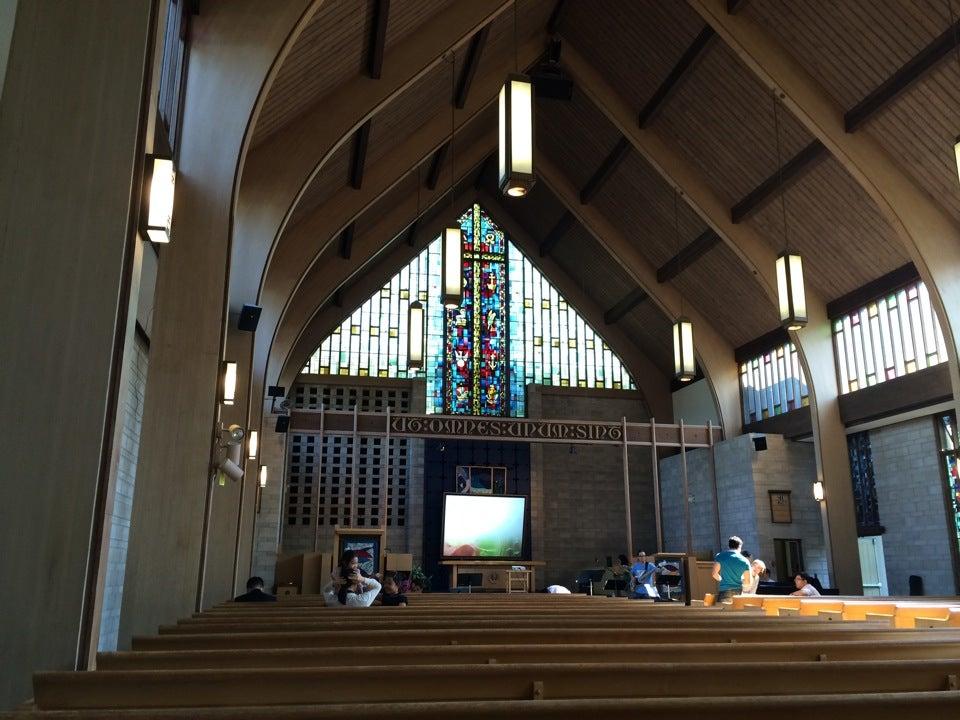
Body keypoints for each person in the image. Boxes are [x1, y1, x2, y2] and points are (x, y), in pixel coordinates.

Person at [712, 536, 751, 603]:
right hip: (738, 592)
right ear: (740, 546)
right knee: (737, 613)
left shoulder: (720, 556)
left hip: (724, 591)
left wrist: (723, 580)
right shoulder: (745, 561)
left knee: (724, 613)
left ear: (729, 546)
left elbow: (714, 574)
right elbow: (747, 582)